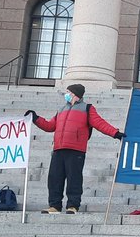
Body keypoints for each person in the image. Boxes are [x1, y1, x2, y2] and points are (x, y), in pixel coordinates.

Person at [26, 83, 123, 214]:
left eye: (68, 92)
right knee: (54, 178)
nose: (66, 94)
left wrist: (115, 133)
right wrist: (36, 118)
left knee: (74, 179)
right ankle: (54, 206)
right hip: (58, 149)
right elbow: (50, 126)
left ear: (75, 95)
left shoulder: (87, 108)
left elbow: (99, 123)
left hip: (76, 150)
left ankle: (73, 205)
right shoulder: (61, 110)